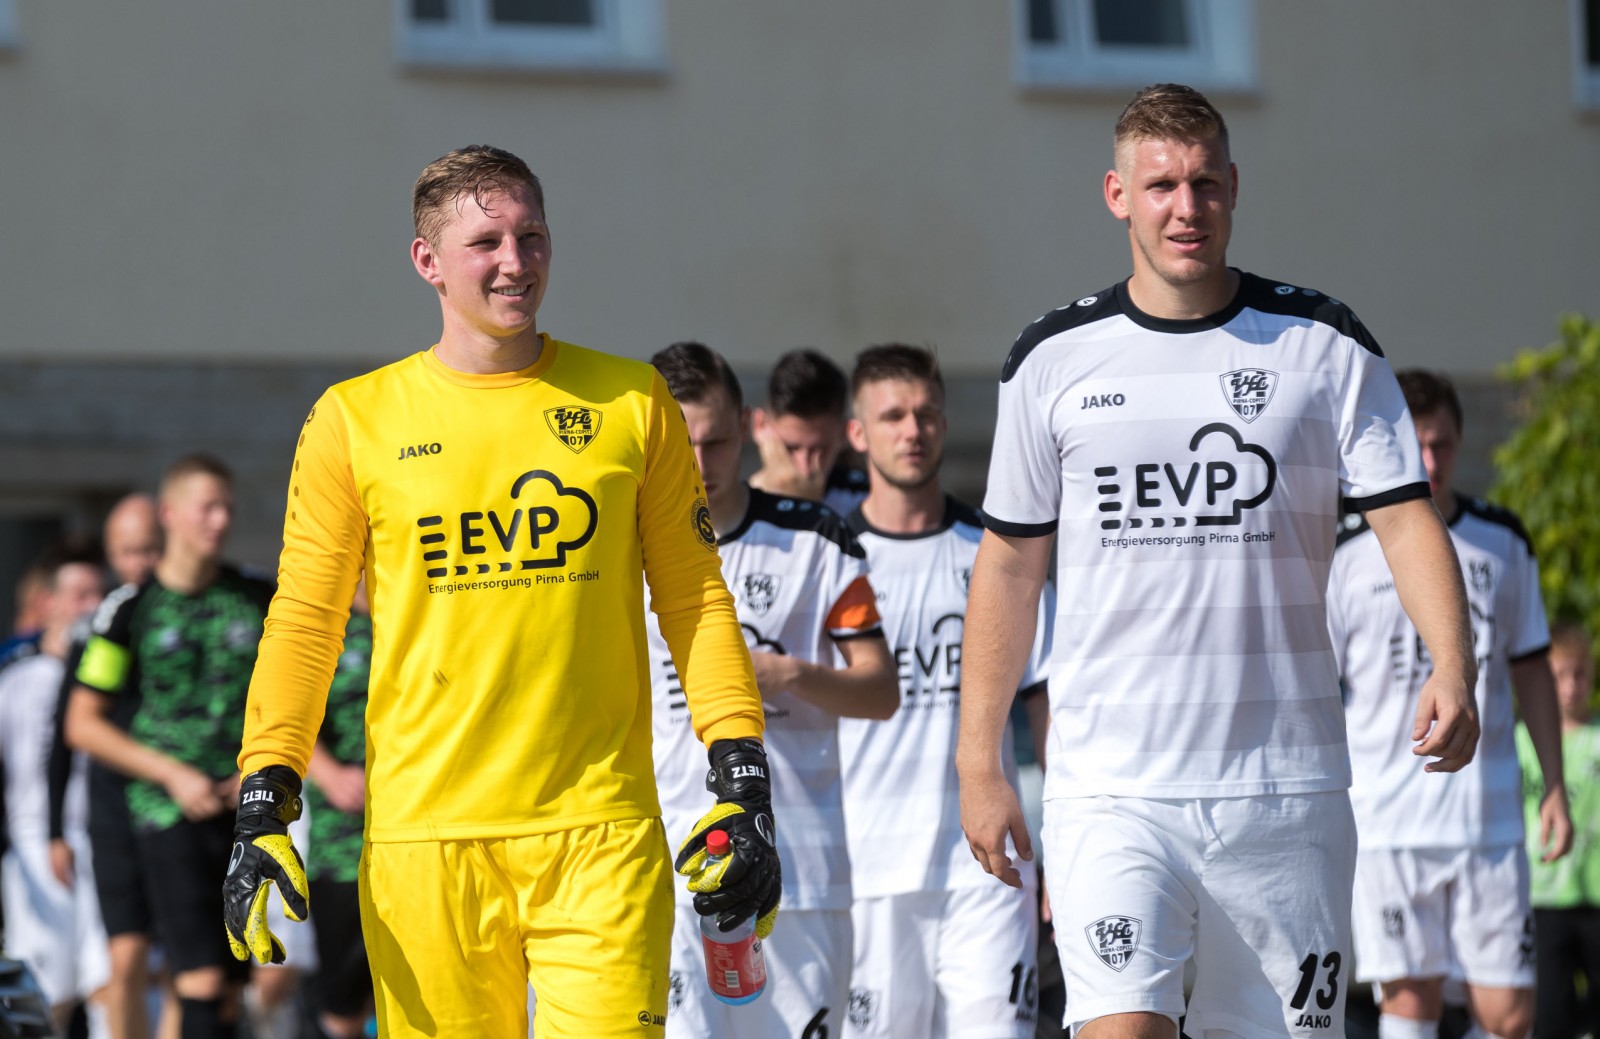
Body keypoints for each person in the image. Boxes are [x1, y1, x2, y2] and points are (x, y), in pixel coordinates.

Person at [956, 83, 1480, 1039]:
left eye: (1203, 182)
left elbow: (1405, 520)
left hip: (1285, 792)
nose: (1184, 208)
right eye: (1159, 186)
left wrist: (1454, 661)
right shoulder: (1052, 359)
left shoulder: (1324, 344)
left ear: (1234, 187)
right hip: (1112, 790)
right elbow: (1008, 569)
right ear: (1117, 194)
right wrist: (978, 761)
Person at [223, 145, 774, 1039]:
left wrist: (743, 778)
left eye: (532, 236)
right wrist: (265, 799)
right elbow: (304, 622)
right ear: (427, 261)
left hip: (600, 832)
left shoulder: (632, 402)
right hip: (425, 840)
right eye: (486, 241)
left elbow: (696, 601)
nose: (515, 262)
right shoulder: (353, 419)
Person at [648, 340, 897, 1038]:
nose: (700, 463)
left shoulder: (816, 538)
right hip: (663, 870)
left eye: (717, 440)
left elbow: (880, 690)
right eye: (682, 443)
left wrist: (785, 673)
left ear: (748, 425)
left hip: (800, 870)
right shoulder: (618, 550)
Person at [1329, 370, 1568, 1039]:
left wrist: (1553, 785)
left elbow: (1530, 666)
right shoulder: (1348, 548)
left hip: (1487, 819)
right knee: (1411, 1004)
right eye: (1417, 445)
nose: (1430, 462)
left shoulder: (1503, 541)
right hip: (1389, 821)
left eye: (1444, 446)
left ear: (1460, 444)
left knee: (1510, 1013)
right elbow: (1320, 686)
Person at [835, 343, 1052, 1039]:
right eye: (892, 415)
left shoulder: (999, 554)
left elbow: (1046, 701)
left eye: (926, 412)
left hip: (987, 867)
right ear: (858, 433)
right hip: (867, 868)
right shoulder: (828, 558)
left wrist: (1066, 844)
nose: (913, 430)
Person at [66, 455, 275, 1039]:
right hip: (165, 811)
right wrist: (172, 775)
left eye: (228, 506)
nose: (221, 519)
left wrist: (259, 769)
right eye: (207, 506)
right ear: (170, 513)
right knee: (198, 978)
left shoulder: (259, 596)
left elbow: (301, 695)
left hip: (244, 810)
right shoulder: (130, 609)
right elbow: (84, 723)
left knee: (235, 988)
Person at [47, 492, 170, 1039]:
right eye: (126, 552)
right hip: (116, 805)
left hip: (179, 804)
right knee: (121, 962)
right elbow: (65, 735)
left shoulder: (187, 613)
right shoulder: (103, 621)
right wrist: (55, 829)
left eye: (148, 549)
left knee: (187, 966)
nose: (138, 563)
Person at [0, 544, 111, 1037]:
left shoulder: (111, 672)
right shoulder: (16, 674)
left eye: (98, 592)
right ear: (51, 602)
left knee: (110, 980)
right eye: (80, 592)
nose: (91, 604)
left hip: (105, 836)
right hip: (35, 843)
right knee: (51, 993)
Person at [1518, 621, 1599, 1039]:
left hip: (1596, 897)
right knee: (1549, 1015)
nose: (1569, 686)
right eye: (1559, 676)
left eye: (1579, 674)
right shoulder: (1519, 742)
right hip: (1544, 897)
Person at [300, 582, 374, 1039]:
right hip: (341, 844)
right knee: (342, 996)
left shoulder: (420, 615)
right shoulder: (323, 627)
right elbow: (282, 716)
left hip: (420, 839)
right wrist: (330, 773)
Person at [749, 348, 869, 514]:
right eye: (790, 448)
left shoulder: (868, 501)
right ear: (760, 426)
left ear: (843, 434)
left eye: (819, 450)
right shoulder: (727, 508)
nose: (805, 469)